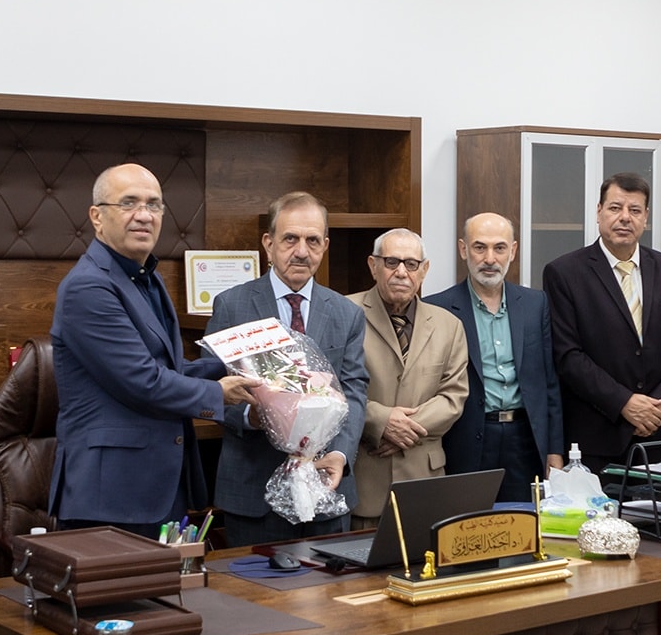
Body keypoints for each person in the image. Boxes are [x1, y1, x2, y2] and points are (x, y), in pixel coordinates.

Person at [50, 163, 255, 537]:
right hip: (111, 496)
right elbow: (141, 380)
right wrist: (218, 394)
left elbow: (168, 368)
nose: (144, 215)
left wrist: (239, 363)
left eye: (154, 204)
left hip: (157, 485)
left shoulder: (146, 278)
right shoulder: (87, 287)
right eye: (129, 203)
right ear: (97, 216)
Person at [207, 191, 369, 545]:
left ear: (325, 246)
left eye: (313, 240)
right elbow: (211, 390)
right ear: (268, 244)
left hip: (327, 489)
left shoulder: (347, 314)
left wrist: (340, 454)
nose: (301, 251)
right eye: (290, 239)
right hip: (253, 493)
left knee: (328, 581)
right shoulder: (232, 306)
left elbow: (354, 391)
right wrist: (251, 416)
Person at [543, 173, 661, 466]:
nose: (625, 217)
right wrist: (624, 403)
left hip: (652, 434)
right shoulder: (564, 273)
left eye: (635, 210)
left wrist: (658, 407)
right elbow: (568, 356)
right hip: (594, 437)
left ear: (645, 217)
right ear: (599, 212)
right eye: (615, 208)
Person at [427, 212, 565, 502]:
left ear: (512, 251)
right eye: (480, 247)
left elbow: (549, 383)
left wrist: (554, 450)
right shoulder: (438, 308)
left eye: (499, 248)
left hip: (525, 439)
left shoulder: (535, 304)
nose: (490, 258)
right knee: (468, 521)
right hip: (466, 438)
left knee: (524, 520)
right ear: (463, 249)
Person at [347, 229, 469, 524]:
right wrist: (380, 421)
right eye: (391, 262)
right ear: (373, 266)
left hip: (424, 484)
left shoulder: (449, 325)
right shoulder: (344, 312)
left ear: (424, 270)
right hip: (364, 483)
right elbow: (330, 388)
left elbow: (453, 397)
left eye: (411, 264)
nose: (401, 272)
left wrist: (403, 430)